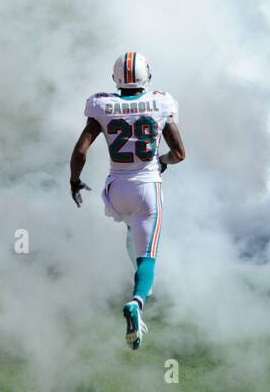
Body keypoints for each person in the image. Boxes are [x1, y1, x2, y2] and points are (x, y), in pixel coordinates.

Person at [70, 52, 185, 350]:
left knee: (132, 230)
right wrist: (161, 161)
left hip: (116, 188)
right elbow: (179, 153)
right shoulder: (161, 102)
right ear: (147, 75)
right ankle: (137, 301)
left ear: (115, 77)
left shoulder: (102, 104)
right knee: (148, 256)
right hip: (147, 188)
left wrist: (74, 181)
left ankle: (136, 272)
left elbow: (81, 151)